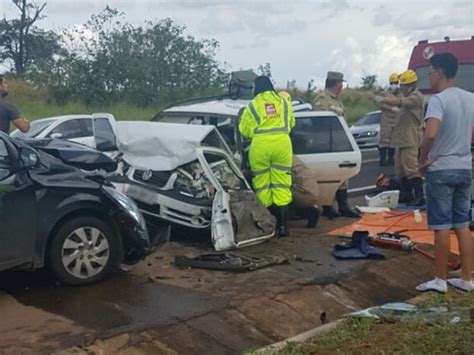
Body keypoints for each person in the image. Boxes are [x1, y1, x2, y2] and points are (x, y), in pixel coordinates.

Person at [416, 53, 474, 293]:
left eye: (429, 72)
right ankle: (467, 278)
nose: (428, 76)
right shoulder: (470, 98)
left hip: (441, 168)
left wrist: (422, 159)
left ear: (439, 72)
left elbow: (430, 134)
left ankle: (439, 279)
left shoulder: (438, 100)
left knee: (441, 225)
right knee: (462, 224)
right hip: (464, 166)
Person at [239, 76, 295, 237]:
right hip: (282, 144)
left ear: (256, 87)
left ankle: (267, 225)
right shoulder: (284, 103)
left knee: (262, 184)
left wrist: (257, 133)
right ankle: (283, 226)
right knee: (282, 183)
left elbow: (244, 130)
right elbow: (291, 123)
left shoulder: (253, 106)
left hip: (260, 146)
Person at [314, 71, 360, 219]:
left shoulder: (336, 99)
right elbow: (319, 117)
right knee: (330, 176)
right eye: (341, 84)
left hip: (338, 143)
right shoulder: (323, 98)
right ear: (337, 84)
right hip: (327, 144)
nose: (342, 87)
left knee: (343, 176)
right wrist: (332, 111)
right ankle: (328, 207)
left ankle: (343, 206)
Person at [381, 70, 424, 205]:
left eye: (404, 86)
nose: (402, 89)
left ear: (411, 85)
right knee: (400, 169)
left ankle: (419, 195)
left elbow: (399, 102)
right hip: (400, 139)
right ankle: (407, 194)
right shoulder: (407, 97)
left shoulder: (416, 97)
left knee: (411, 167)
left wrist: (384, 98)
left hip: (410, 138)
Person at [377, 73, 401, 166]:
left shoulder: (401, 93)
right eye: (392, 82)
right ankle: (382, 159)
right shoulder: (385, 93)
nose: (394, 84)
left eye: (395, 82)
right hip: (386, 120)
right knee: (384, 140)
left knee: (394, 141)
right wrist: (391, 108)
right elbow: (380, 104)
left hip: (396, 120)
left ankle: (391, 159)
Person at [291, 155, 320, 228]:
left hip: (303, 194)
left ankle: (308, 213)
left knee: (279, 194)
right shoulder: (295, 159)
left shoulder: (282, 160)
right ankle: (311, 210)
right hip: (313, 192)